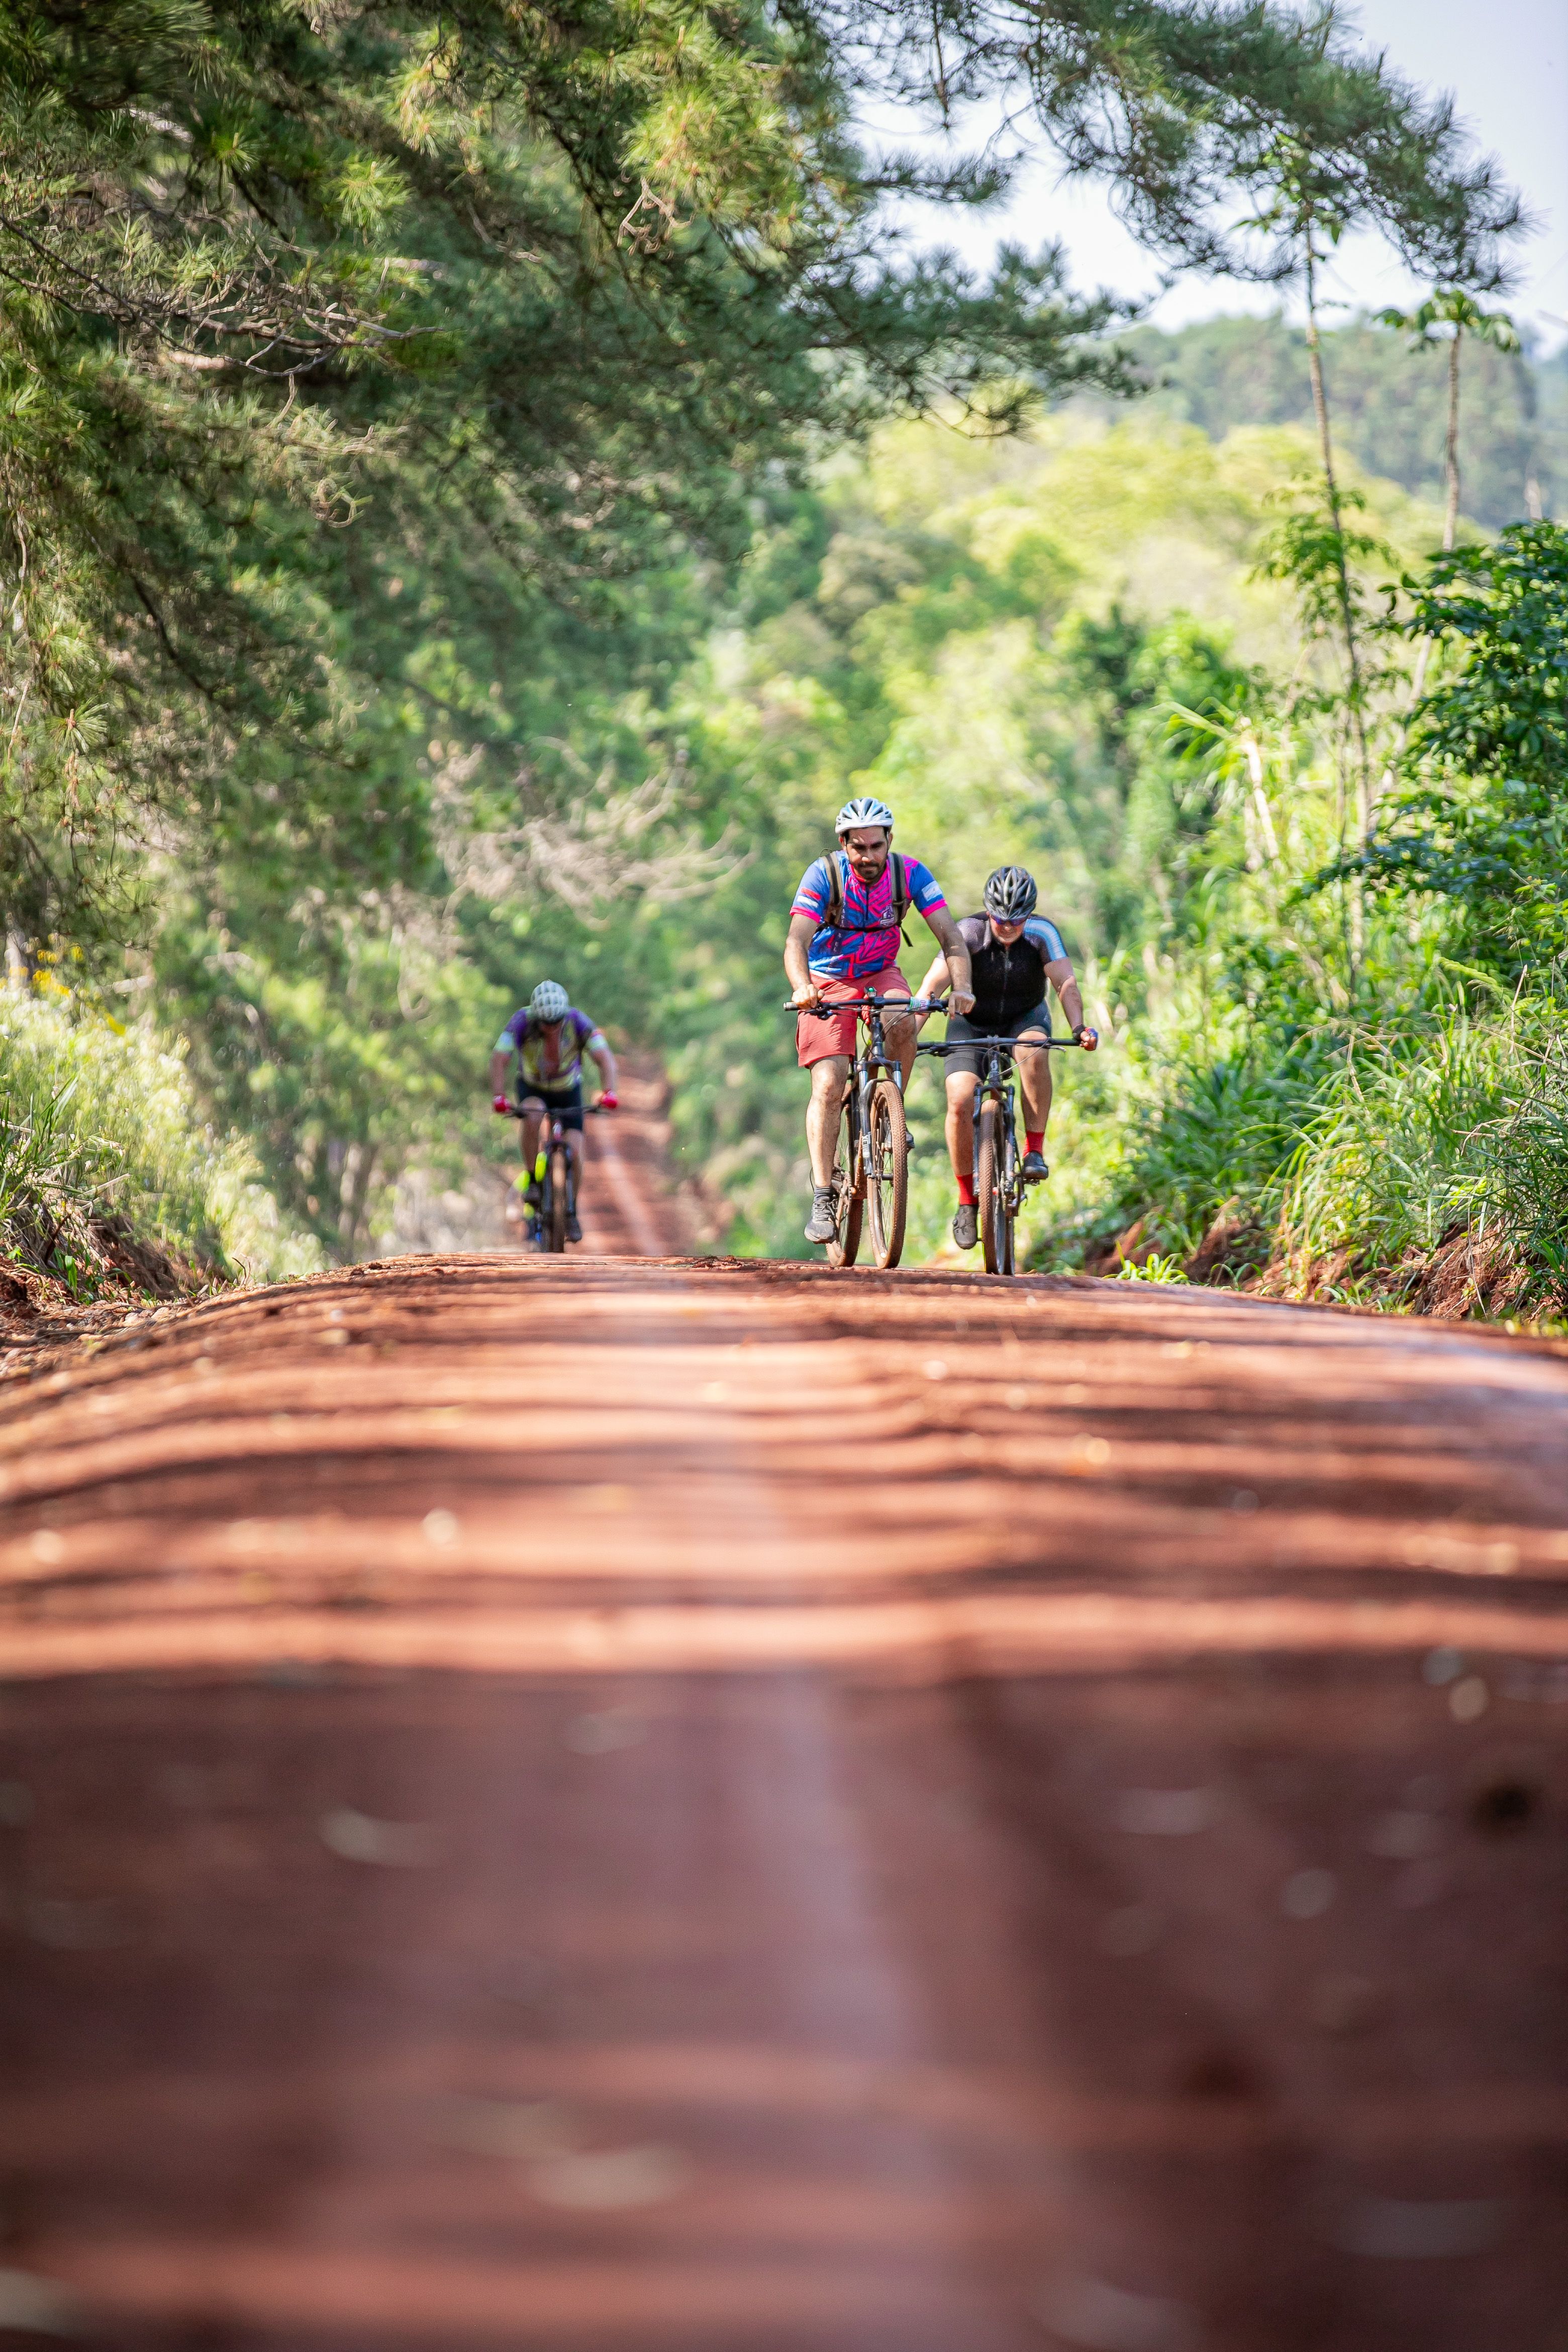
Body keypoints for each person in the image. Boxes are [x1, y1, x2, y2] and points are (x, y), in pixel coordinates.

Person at [786, 797, 974, 1245]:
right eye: (859, 847)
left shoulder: (910, 874)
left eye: (876, 846)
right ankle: (824, 1194)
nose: (868, 856)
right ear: (844, 845)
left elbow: (951, 936)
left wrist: (963, 986)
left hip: (880, 973)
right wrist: (802, 986)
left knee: (904, 1020)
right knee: (829, 1083)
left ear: (890, 840)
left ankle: (891, 1112)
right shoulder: (823, 875)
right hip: (827, 979)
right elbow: (796, 942)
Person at [914, 864, 1098, 1251]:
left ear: (1030, 914)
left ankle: (1034, 1150)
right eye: (1001, 919)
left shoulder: (1043, 933)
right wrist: (908, 1032)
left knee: (1034, 1050)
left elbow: (1065, 983)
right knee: (960, 1098)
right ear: (988, 910)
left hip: (1025, 1018)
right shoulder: (968, 932)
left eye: (1018, 919)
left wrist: (1079, 1026)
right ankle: (967, 1201)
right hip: (971, 1024)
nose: (1009, 926)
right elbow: (931, 987)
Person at [489, 979, 618, 1244]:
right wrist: (499, 1095)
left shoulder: (578, 1021)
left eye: (557, 1022)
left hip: (568, 1089)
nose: (552, 1028)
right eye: (545, 1023)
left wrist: (610, 1092)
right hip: (532, 1087)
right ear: (536, 1018)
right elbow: (499, 1057)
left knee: (576, 1147)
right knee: (532, 1114)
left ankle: (571, 1211)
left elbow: (604, 1057)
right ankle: (533, 1182)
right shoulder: (521, 1021)